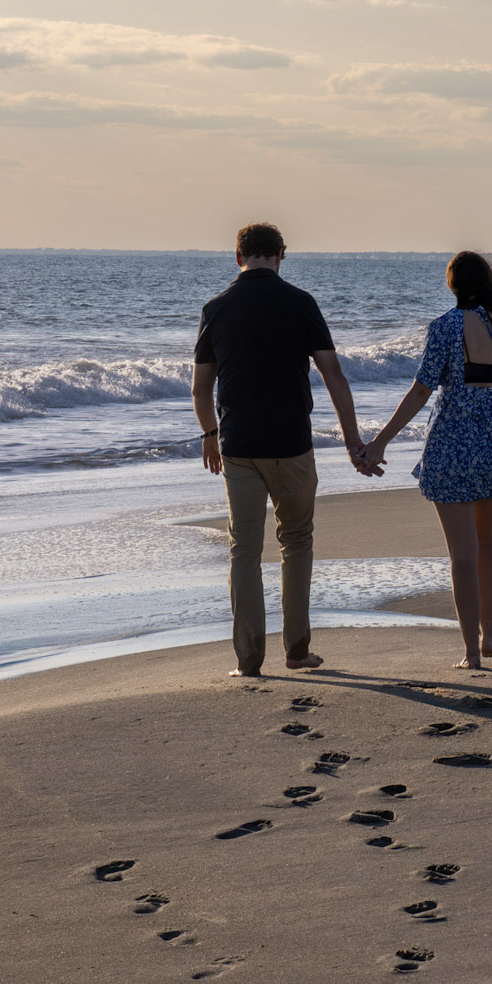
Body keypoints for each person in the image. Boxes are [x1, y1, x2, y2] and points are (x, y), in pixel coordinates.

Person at [193, 222, 372, 677]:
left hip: (239, 446)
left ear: (239, 257)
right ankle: (297, 650)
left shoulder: (216, 308)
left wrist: (210, 434)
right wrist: (353, 441)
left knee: (244, 550)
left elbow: (200, 387)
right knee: (296, 541)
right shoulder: (300, 302)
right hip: (292, 443)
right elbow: (334, 375)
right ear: (280, 257)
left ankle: (248, 660)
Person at [360, 251, 492, 670]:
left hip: (453, 445)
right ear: (489, 282)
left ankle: (472, 653)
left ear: (452, 285)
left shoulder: (445, 327)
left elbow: (422, 390)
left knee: (462, 552)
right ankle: (488, 634)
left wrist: (380, 442)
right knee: (485, 543)